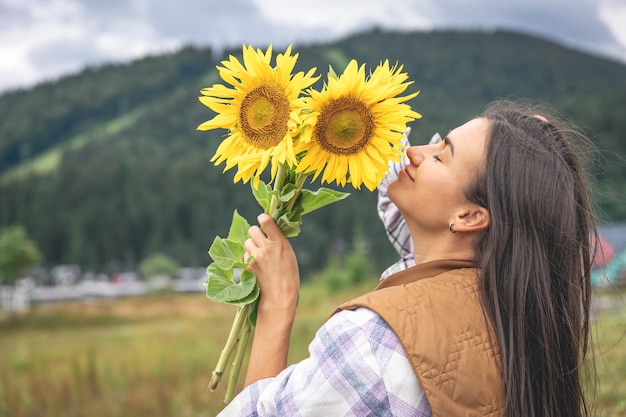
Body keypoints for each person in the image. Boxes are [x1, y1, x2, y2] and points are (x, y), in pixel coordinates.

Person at [218, 99, 597, 417]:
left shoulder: (373, 342)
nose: (416, 153)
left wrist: (277, 305)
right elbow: (407, 217)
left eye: (441, 156)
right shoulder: (517, 312)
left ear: (468, 218)